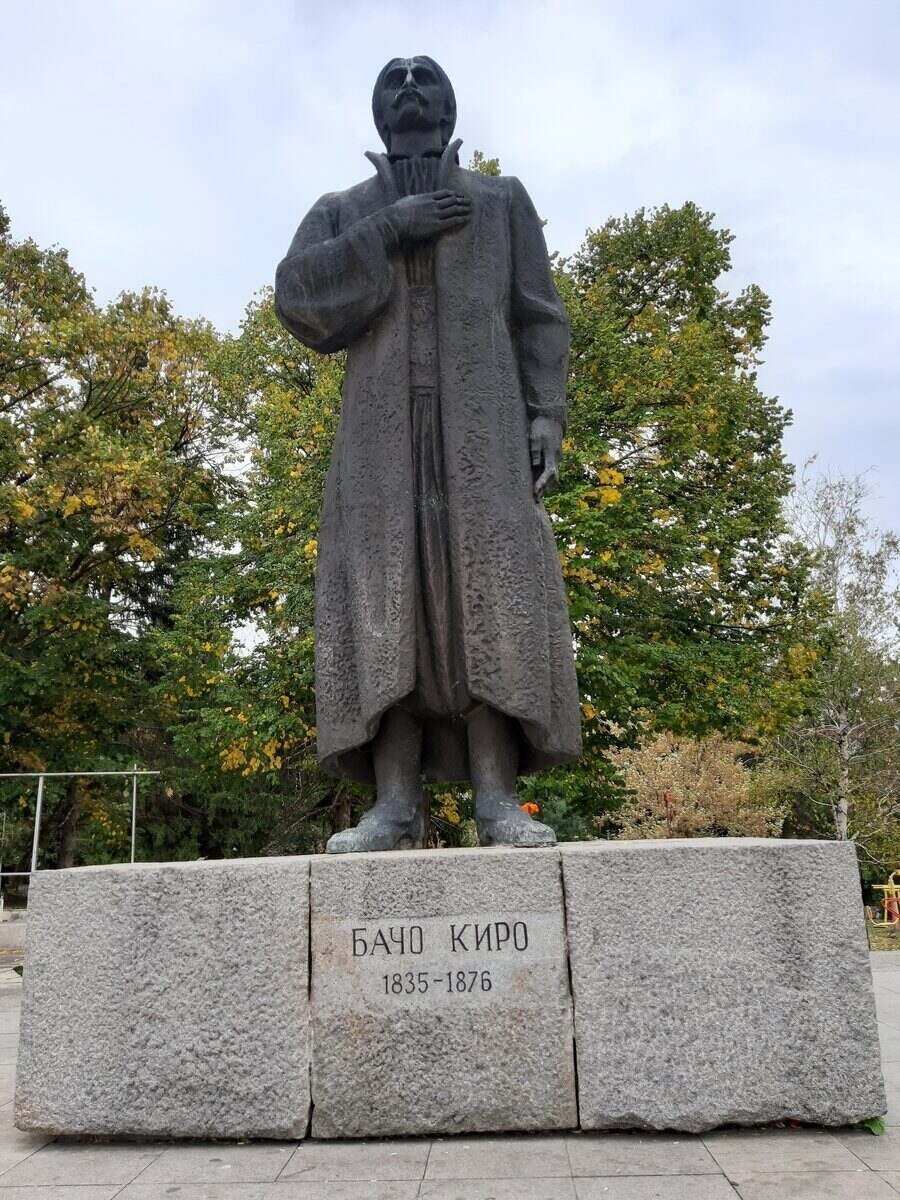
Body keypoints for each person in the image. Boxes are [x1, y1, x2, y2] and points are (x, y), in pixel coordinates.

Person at [275, 55, 581, 852]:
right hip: (380, 443)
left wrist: (546, 413)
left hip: (482, 434)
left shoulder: (499, 201)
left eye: (425, 76)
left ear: (448, 103)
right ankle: (395, 807)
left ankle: (497, 802)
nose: (410, 87)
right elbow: (298, 297)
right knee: (388, 602)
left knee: (490, 596)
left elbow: (540, 314)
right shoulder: (345, 210)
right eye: (393, 79)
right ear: (378, 110)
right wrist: (387, 230)